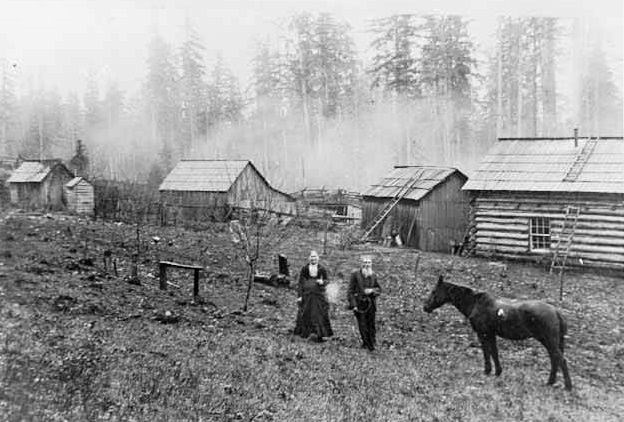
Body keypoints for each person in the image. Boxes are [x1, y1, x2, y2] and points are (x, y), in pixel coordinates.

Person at [293, 250, 333, 342]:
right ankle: (305, 334)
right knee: (306, 312)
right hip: (306, 294)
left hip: (318, 294)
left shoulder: (322, 268)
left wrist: (322, 282)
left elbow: (327, 280)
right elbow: (300, 283)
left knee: (319, 313)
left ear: (318, 258)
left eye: (315, 257)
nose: (313, 259)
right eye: (311, 257)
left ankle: (320, 334)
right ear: (309, 258)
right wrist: (299, 295)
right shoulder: (304, 268)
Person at [347, 255, 382, 351]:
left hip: (371, 304)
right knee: (362, 325)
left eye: (369, 263)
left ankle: (372, 342)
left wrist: (372, 291)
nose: (367, 265)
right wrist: (353, 304)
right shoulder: (355, 274)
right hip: (359, 304)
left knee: (371, 324)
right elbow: (350, 291)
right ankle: (366, 343)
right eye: (365, 262)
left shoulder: (373, 275)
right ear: (361, 264)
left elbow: (379, 289)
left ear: (371, 264)